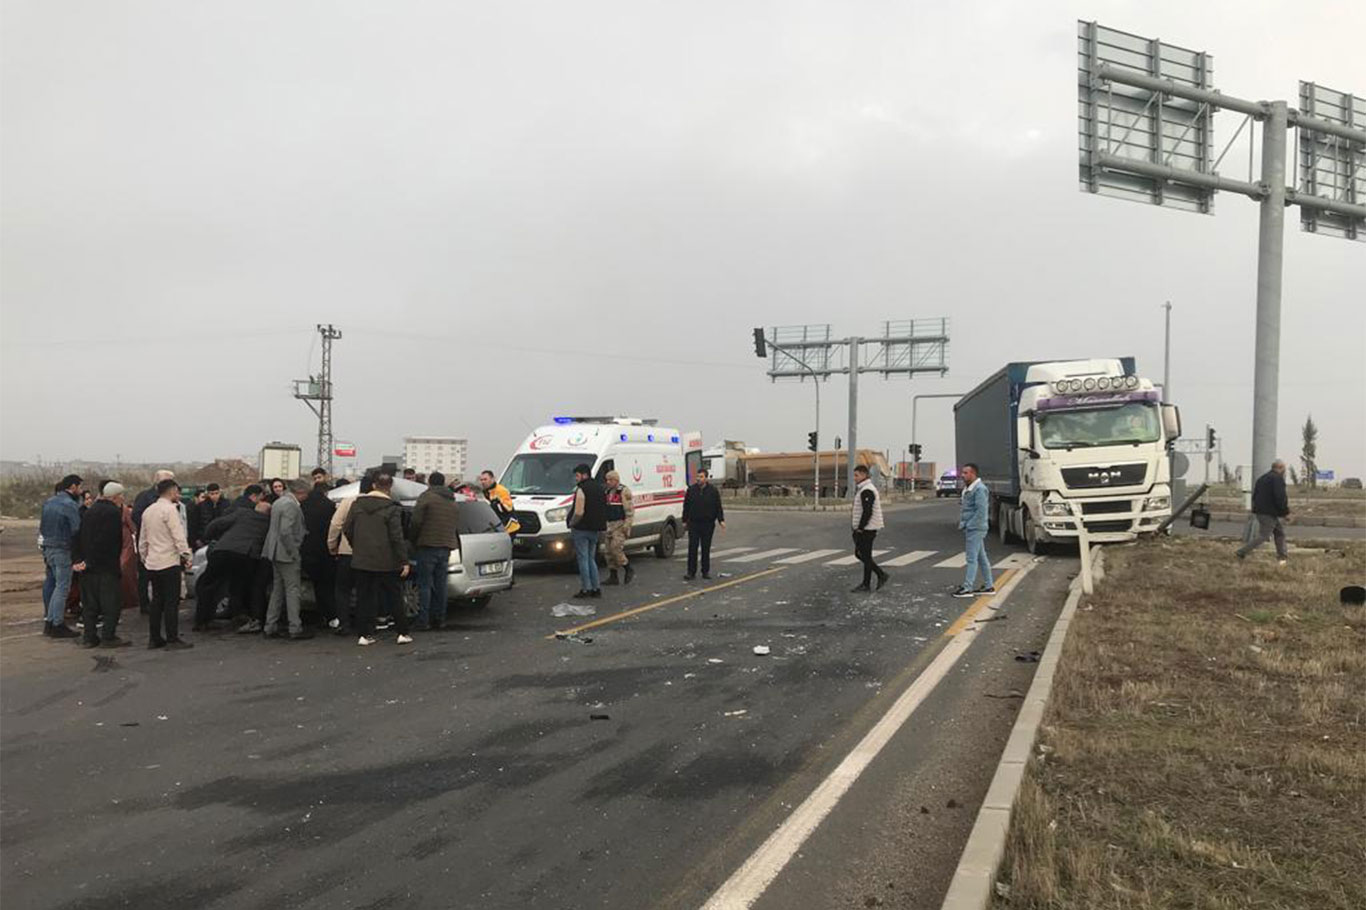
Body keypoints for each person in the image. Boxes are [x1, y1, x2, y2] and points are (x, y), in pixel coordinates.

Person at [344, 473, 412, 645]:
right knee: (395, 596)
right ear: (390, 487)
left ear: (374, 485)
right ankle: (402, 633)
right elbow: (396, 536)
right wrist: (403, 560)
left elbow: (347, 529)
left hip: (362, 559)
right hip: (387, 561)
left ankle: (364, 635)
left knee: (364, 597)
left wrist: (357, 547)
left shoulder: (356, 504)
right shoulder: (392, 508)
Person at [195, 499, 273, 631]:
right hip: (247, 555)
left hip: (223, 550)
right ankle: (238, 613)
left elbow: (217, 524)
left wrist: (208, 537)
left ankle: (202, 620)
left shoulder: (242, 513)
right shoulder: (269, 522)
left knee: (209, 585)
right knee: (239, 585)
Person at [72, 483, 130, 647]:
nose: (123, 499)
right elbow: (106, 540)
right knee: (111, 603)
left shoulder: (90, 511)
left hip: (87, 568)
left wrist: (78, 560)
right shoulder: (112, 513)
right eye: (121, 495)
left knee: (90, 605)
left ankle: (89, 638)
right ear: (115, 497)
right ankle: (108, 637)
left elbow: (77, 536)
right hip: (105, 566)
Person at [138, 478, 193, 648]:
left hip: (153, 562)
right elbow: (178, 536)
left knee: (156, 601)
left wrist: (144, 557)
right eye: (177, 491)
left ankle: (154, 638)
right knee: (171, 602)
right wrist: (186, 556)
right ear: (170, 491)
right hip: (169, 561)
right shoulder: (170, 510)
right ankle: (172, 638)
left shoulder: (148, 511)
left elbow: (143, 539)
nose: (178, 494)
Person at [409, 471, 459, 630]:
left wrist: (412, 539)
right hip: (446, 546)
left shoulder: (426, 497)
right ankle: (440, 619)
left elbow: (415, 521)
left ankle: (424, 620)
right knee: (441, 584)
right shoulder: (452, 501)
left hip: (427, 545)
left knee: (424, 584)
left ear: (430, 483)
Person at [262, 480, 311, 640]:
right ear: (301, 492)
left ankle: (270, 625)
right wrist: (294, 551)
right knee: (292, 590)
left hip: (274, 552)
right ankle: (295, 627)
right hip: (286, 554)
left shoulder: (278, 502)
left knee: (278, 589)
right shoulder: (291, 505)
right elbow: (285, 531)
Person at [39, 474, 84, 638]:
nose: (80, 491)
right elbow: (76, 528)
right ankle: (57, 623)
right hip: (62, 548)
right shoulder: (69, 504)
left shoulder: (49, 502)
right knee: (62, 587)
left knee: (55, 585)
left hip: (48, 547)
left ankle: (50, 622)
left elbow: (42, 526)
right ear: (73, 487)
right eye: (79, 487)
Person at [327, 473, 370, 636]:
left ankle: (344, 623)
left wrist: (332, 545)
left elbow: (335, 524)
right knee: (365, 590)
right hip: (369, 554)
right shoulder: (383, 502)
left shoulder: (348, 501)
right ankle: (364, 625)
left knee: (342, 590)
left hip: (346, 552)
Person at [131, 469, 175, 613]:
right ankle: (145, 603)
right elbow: (136, 516)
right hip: (148, 540)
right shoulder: (144, 497)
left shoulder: (170, 499)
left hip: (164, 543)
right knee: (144, 575)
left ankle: (160, 601)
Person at [301, 474, 339, 630]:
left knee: (317, 585)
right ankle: (331, 615)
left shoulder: (303, 505)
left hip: (308, 551)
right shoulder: (329, 506)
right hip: (325, 551)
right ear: (326, 492)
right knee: (328, 585)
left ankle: (321, 614)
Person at [1236, 459, 1291, 564]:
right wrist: (1285, 512)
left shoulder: (1262, 478)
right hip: (1269, 513)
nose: (1285, 471)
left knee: (1279, 533)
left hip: (1262, 511)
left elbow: (1255, 496)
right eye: (1284, 468)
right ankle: (1241, 552)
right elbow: (1280, 497)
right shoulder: (1277, 479)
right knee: (1264, 535)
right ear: (1280, 468)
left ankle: (1282, 557)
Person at [953, 463, 994, 598]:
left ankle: (967, 587)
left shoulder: (979, 489)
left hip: (975, 528)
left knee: (971, 559)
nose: (962, 475)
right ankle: (989, 586)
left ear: (973, 474)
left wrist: (969, 525)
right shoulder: (970, 488)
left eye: (965, 473)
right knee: (981, 558)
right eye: (962, 473)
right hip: (973, 527)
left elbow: (982, 511)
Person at [568, 464, 607, 598]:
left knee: (583, 559)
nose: (576, 479)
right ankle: (596, 588)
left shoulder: (581, 489)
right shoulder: (600, 488)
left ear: (584, 475)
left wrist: (572, 523)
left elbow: (579, 512)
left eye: (577, 475)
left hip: (581, 529)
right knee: (591, 558)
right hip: (595, 529)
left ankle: (586, 589)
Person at [850, 464, 889, 592]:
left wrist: (860, 528)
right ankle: (879, 575)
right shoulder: (864, 489)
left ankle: (871, 581)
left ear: (864, 475)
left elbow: (867, 512)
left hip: (868, 528)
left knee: (864, 555)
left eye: (856, 475)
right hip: (867, 528)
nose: (854, 478)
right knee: (862, 555)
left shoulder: (867, 490)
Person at [682, 468, 725, 580]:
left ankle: (705, 571)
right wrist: (684, 520)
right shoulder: (691, 490)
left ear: (706, 478)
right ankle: (691, 572)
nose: (698, 479)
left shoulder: (713, 491)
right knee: (693, 548)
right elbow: (686, 506)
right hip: (694, 523)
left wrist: (721, 520)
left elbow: (718, 506)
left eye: (701, 477)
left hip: (708, 524)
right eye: (697, 477)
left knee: (705, 548)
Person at [602, 470, 635, 586]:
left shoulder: (624, 491)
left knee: (616, 548)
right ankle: (613, 575)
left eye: (610, 480)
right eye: (607, 480)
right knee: (608, 551)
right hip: (609, 524)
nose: (608, 482)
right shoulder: (607, 492)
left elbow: (629, 510)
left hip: (620, 524)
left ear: (616, 480)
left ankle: (628, 568)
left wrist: (627, 525)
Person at [478, 469, 521, 535]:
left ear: (492, 479)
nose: (483, 482)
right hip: (496, 527)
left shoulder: (501, 490)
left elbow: (508, 508)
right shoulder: (484, 492)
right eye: (481, 480)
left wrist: (495, 504)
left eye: (485, 479)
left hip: (509, 527)